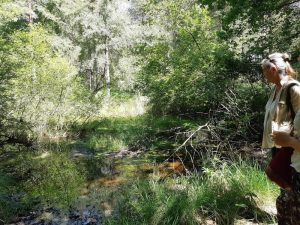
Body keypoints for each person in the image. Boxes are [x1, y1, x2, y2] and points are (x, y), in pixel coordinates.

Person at [261, 52, 300, 224]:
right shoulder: (275, 89)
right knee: (284, 190)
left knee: (291, 193)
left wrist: (291, 142)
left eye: (264, 71)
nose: (263, 75)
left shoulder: (294, 89)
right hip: (278, 146)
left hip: (292, 150)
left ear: (274, 69)